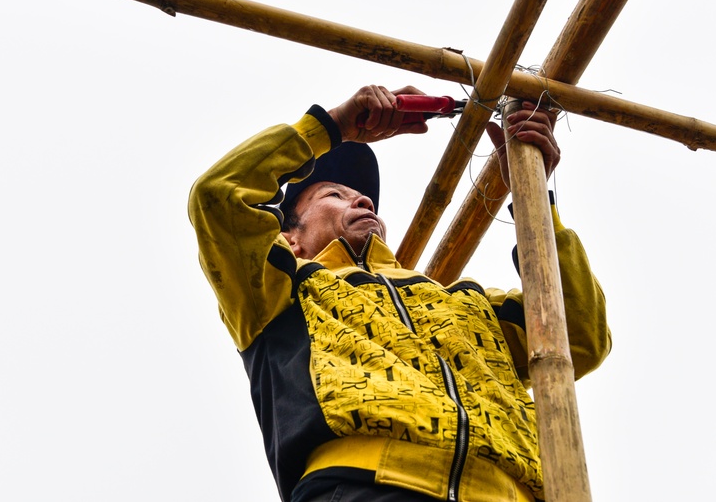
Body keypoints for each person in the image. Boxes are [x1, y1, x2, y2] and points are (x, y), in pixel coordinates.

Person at [188, 85, 610, 502]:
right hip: (365, 486)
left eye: (364, 197)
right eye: (334, 195)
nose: (364, 201)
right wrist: (334, 126)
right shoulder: (284, 290)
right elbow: (219, 195)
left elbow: (578, 337)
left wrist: (533, 190)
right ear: (290, 239)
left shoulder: (466, 302)